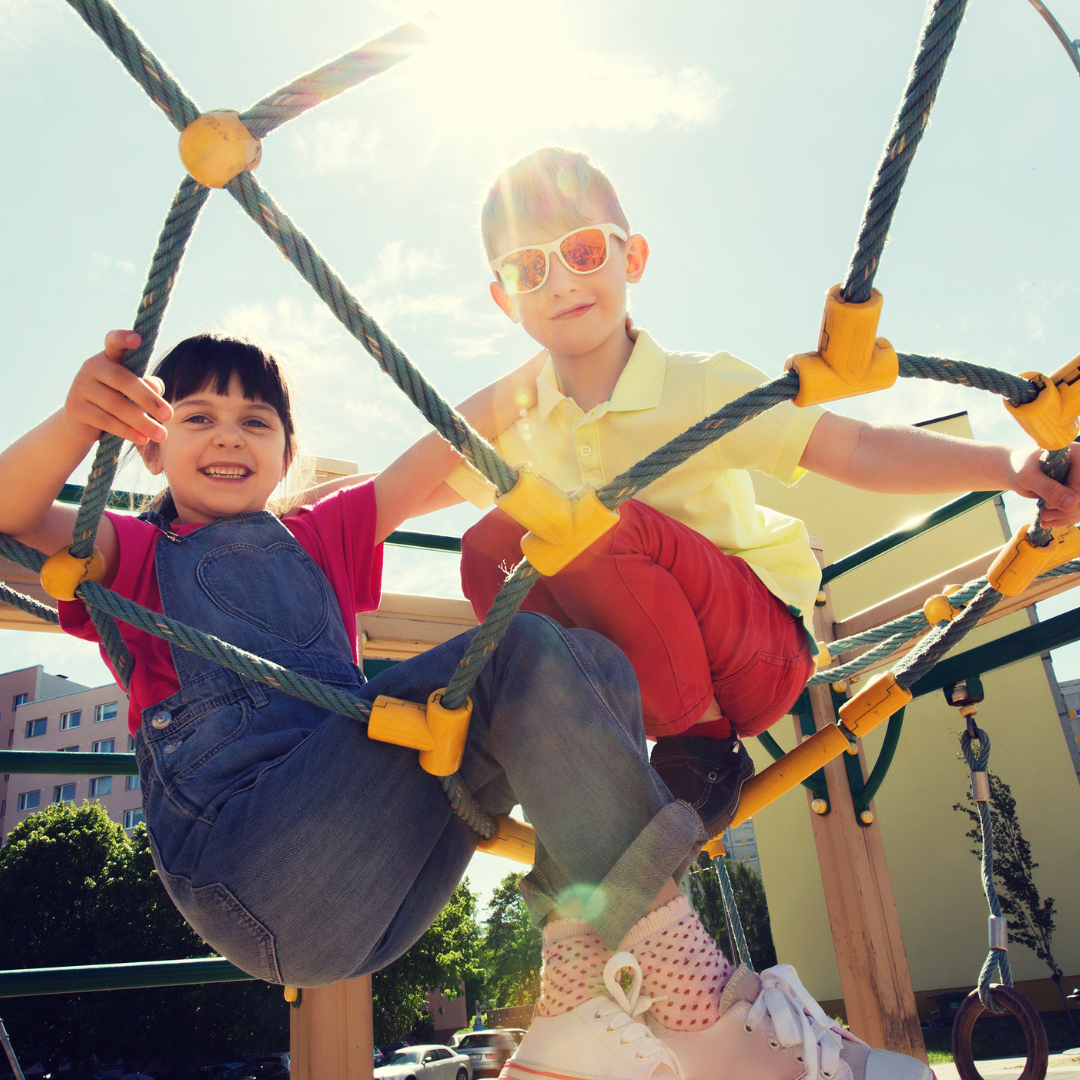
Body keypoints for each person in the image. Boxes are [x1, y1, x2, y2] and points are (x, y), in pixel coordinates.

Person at [0, 330, 939, 1080]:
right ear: (150, 441)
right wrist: (74, 422)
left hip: (373, 874)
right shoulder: (130, 551)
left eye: (256, 420)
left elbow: (445, 442)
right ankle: (697, 1000)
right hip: (249, 856)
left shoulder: (321, 536)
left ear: (288, 450)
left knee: (589, 664)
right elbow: (9, 512)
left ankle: (573, 997)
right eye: (197, 416)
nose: (228, 436)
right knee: (517, 644)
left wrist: (570, 346)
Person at [451, 147, 1080, 845]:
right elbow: (402, 493)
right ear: (504, 296)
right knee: (487, 548)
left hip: (752, 655)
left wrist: (1009, 463)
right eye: (529, 267)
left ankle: (706, 750)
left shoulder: (701, 385)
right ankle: (579, 737)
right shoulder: (520, 418)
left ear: (632, 259)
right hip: (640, 680)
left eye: (584, 250)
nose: (562, 280)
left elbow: (857, 448)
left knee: (596, 518)